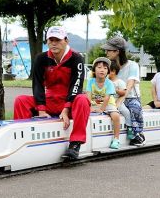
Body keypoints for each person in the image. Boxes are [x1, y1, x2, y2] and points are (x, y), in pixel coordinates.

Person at [13, 26, 90, 160]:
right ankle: (20, 139)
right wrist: (42, 110)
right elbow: (37, 84)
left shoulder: (76, 58)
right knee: (21, 100)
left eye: (58, 40)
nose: (54, 43)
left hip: (70, 102)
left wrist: (66, 110)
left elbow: (76, 85)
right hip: (50, 101)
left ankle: (75, 144)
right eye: (51, 40)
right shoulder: (41, 58)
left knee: (82, 99)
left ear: (66, 40)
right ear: (47, 41)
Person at [102, 36, 145, 146]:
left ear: (117, 51)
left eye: (109, 50)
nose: (106, 52)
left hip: (130, 96)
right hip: (113, 96)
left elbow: (130, 84)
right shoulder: (108, 66)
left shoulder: (132, 65)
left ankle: (138, 134)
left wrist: (122, 99)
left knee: (134, 107)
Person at [86, 57, 121, 149]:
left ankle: (116, 138)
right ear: (94, 70)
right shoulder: (90, 81)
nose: (102, 70)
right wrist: (89, 107)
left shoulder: (109, 83)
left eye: (105, 68)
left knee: (116, 116)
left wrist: (102, 109)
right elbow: (88, 95)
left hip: (108, 104)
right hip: (94, 103)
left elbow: (107, 98)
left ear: (108, 71)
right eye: (99, 67)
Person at [108, 60, 133, 139]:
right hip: (108, 102)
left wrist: (115, 90)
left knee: (126, 112)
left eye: (108, 71)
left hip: (118, 102)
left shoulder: (119, 82)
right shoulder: (106, 82)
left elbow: (123, 92)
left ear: (113, 71)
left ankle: (129, 127)